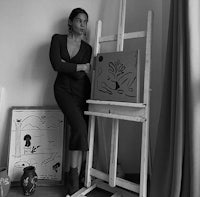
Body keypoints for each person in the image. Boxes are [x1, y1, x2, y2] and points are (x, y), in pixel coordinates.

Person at [49, 8, 92, 195]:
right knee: (80, 128)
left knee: (80, 129)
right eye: (79, 21)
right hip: (62, 91)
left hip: (82, 92)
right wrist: (81, 66)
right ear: (70, 21)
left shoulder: (87, 48)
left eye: (85, 22)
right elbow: (56, 65)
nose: (82, 25)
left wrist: (70, 68)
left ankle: (75, 173)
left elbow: (78, 76)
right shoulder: (57, 39)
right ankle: (74, 176)